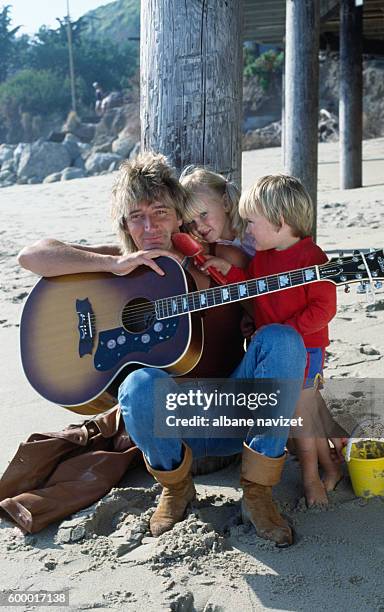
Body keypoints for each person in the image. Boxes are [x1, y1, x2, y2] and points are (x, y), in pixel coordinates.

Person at [18, 153, 307, 547]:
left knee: (282, 339)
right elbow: (32, 255)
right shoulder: (118, 265)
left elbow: (286, 311)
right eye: (136, 216)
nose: (150, 226)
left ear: (179, 215)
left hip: (237, 417)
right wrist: (115, 265)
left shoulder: (224, 261)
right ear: (124, 224)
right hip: (174, 431)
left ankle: (257, 493)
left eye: (160, 212)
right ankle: (176, 488)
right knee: (138, 384)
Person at [199, 174, 346, 506]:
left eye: (252, 223)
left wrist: (285, 333)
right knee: (304, 416)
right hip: (273, 351)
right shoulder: (263, 258)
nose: (247, 231)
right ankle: (332, 467)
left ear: (280, 222)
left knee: (302, 420)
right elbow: (251, 287)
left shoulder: (312, 259)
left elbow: (324, 308)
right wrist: (226, 270)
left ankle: (312, 480)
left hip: (306, 350)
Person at [179, 166, 255, 256]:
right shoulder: (211, 248)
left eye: (203, 214)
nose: (198, 227)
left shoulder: (253, 233)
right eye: (191, 221)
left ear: (225, 203)